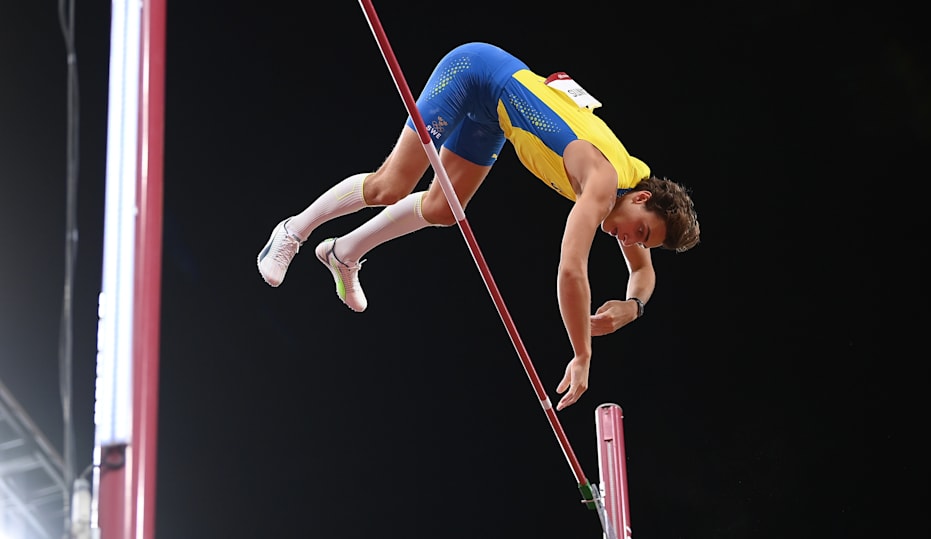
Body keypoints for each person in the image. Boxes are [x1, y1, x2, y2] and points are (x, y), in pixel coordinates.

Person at [257, 42, 699, 411]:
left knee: (443, 208)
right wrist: (582, 354)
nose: (630, 242)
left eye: (642, 241)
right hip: (476, 73)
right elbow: (570, 270)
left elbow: (642, 273)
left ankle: (342, 252)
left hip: (495, 116)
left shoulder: (636, 184)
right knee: (390, 185)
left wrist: (632, 308)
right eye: (639, 233)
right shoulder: (603, 186)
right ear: (642, 201)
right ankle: (293, 230)